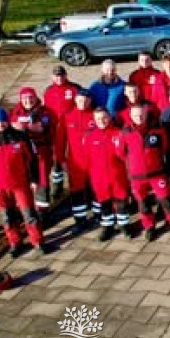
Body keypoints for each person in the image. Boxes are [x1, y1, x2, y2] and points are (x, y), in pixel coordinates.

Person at [0, 108, 48, 257]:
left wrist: (34, 179)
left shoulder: (21, 137)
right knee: (7, 216)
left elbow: (33, 160)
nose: (0, 125)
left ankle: (38, 241)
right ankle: (15, 242)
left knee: (29, 214)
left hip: (20, 185)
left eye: (3, 121)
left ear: (8, 121)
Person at [117, 103, 170, 241]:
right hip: (137, 176)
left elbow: (164, 147)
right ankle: (149, 227)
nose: (139, 118)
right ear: (130, 116)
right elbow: (121, 153)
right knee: (143, 204)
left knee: (167, 201)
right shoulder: (125, 132)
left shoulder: (157, 130)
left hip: (157, 173)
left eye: (141, 114)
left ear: (146, 114)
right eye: (135, 115)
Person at [83, 108, 131, 241]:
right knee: (105, 204)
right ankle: (107, 227)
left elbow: (126, 156)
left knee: (121, 203)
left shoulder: (119, 133)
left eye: (104, 118)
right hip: (99, 178)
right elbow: (87, 159)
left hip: (118, 176)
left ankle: (124, 225)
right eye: (98, 119)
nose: (101, 121)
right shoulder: (90, 137)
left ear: (109, 117)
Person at [10, 87, 59, 215]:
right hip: (22, 153)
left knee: (42, 179)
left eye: (31, 97)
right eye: (25, 98)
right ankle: (24, 208)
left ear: (36, 98)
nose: (28, 101)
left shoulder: (46, 112)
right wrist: (28, 128)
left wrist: (28, 129)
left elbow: (51, 130)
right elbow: (9, 130)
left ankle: (43, 210)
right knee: (24, 179)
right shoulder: (14, 113)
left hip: (41, 151)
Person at [54, 89, 97, 232]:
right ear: (75, 100)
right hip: (75, 164)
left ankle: (99, 215)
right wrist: (61, 160)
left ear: (90, 101)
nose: (83, 103)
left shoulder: (96, 116)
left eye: (85, 100)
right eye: (80, 100)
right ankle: (80, 220)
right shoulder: (67, 117)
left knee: (96, 190)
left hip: (94, 162)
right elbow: (60, 142)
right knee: (77, 192)